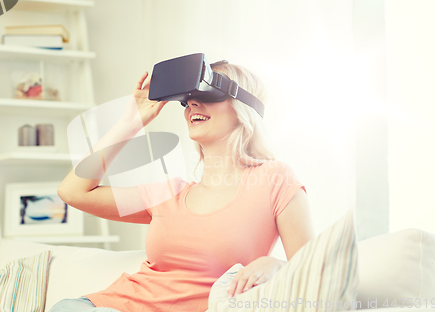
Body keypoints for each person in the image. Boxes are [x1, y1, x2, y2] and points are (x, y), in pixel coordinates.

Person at [51, 61, 316, 312]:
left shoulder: (275, 179)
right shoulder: (169, 192)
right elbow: (73, 192)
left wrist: (277, 266)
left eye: (208, 94)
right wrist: (129, 124)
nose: (192, 104)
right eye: (187, 100)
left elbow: (313, 273)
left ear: (243, 107)